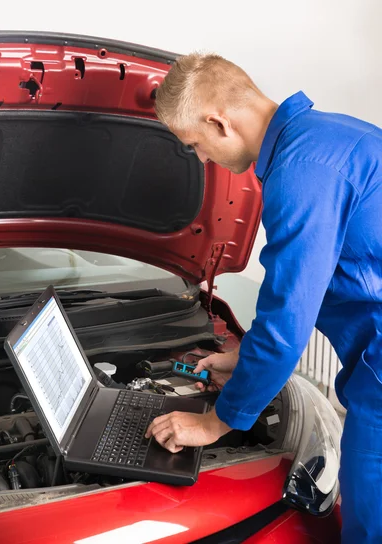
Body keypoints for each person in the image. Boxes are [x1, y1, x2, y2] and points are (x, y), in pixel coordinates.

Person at [145, 53, 382, 544]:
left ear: (217, 121)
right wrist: (243, 355)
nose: (205, 160)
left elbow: (286, 326)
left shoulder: (302, 173)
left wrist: (214, 424)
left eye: (196, 145)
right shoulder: (327, 135)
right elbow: (310, 287)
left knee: (369, 520)